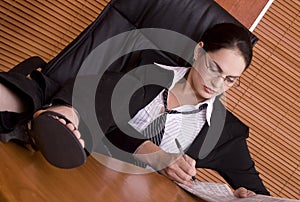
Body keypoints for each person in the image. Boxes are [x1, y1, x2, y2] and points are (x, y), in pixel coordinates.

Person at [0, 23, 270, 197]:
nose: (217, 83)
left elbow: (262, 194)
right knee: (106, 90)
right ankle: (61, 113)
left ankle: (51, 114)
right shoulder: (147, 66)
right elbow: (106, 110)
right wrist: (153, 153)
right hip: (85, 149)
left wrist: (249, 196)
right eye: (214, 68)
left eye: (230, 80)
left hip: (115, 192)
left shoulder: (224, 133)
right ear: (199, 53)